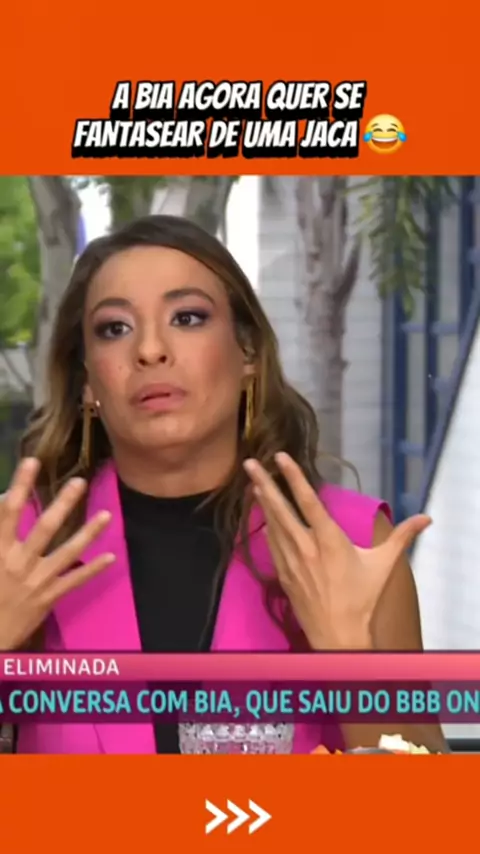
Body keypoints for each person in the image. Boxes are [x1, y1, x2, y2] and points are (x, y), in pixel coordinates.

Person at [0, 215, 446, 754]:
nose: (150, 350)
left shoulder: (353, 541)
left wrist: (350, 653)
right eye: (114, 328)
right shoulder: (19, 549)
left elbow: (424, 803)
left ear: (248, 353)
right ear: (87, 381)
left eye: (187, 317)